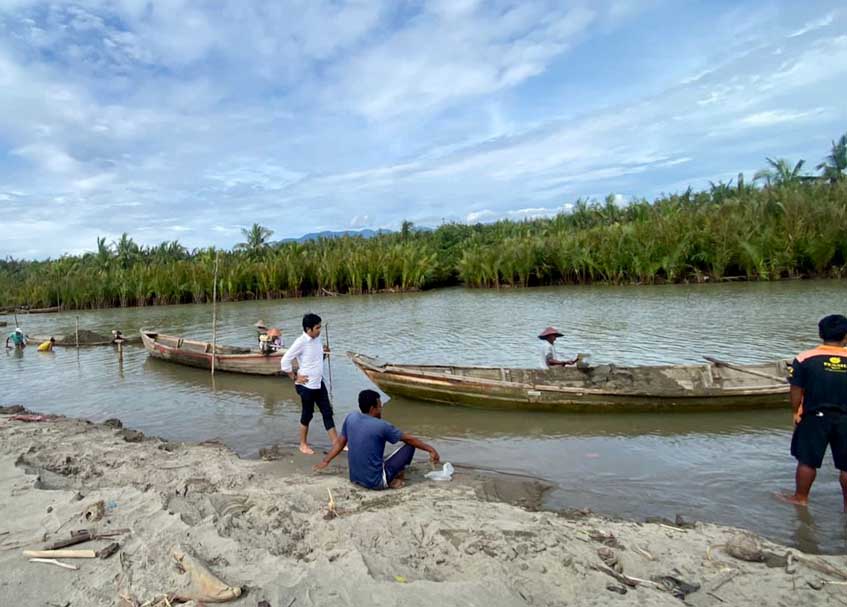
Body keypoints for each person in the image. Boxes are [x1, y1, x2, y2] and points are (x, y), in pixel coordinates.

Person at [779, 314, 847, 509]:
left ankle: (800, 499)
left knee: (807, 461)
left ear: (820, 334)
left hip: (814, 417)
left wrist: (796, 412)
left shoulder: (804, 359)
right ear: (845, 336)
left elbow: (796, 390)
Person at [315, 389, 440, 489]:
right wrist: (431, 449)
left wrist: (326, 461)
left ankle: (389, 474)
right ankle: (395, 479)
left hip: (354, 478)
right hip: (376, 482)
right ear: (372, 409)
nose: (381, 409)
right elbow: (409, 439)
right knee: (410, 445)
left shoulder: (351, 418)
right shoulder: (382, 426)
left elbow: (340, 443)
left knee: (382, 454)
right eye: (380, 406)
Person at [280, 313, 336, 455]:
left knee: (327, 412)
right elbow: (284, 361)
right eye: (317, 328)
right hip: (306, 386)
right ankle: (303, 444)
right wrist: (294, 377)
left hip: (318, 383)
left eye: (320, 327)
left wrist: (324, 353)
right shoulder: (301, 342)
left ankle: (336, 443)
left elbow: (315, 359)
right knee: (307, 414)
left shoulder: (318, 339)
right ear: (308, 329)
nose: (319, 330)